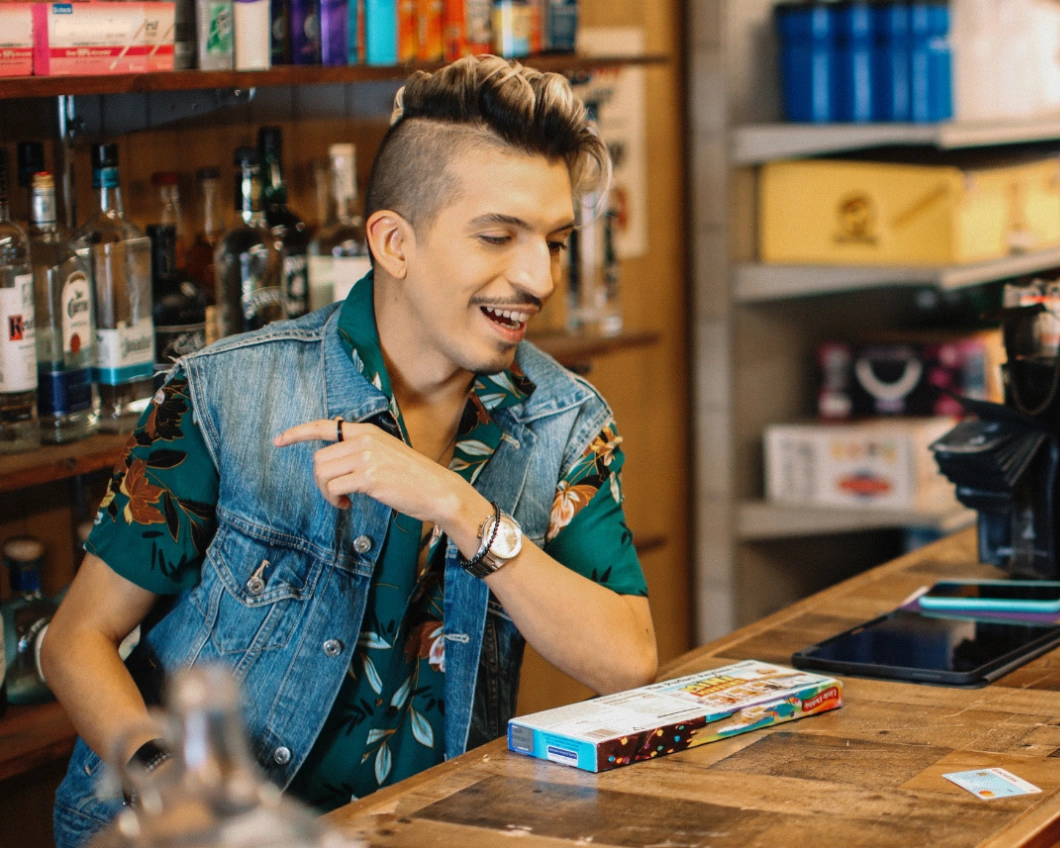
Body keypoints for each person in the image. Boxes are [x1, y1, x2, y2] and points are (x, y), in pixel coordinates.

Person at [46, 56, 660, 846]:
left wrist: (460, 508)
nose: (539, 278)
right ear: (394, 243)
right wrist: (167, 781)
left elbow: (626, 660)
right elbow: (75, 642)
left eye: (556, 241)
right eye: (497, 236)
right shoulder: (224, 395)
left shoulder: (564, 421)